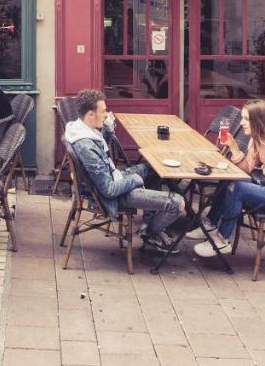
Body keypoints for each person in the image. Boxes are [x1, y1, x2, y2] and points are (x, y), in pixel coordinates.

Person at [65, 89, 184, 253]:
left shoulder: (81, 129)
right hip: (112, 197)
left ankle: (148, 222)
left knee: (154, 169)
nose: (106, 115)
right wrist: (135, 180)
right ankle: (150, 234)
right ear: (91, 115)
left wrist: (108, 130)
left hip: (114, 178)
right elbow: (109, 190)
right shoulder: (86, 147)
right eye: (103, 111)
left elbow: (101, 153)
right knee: (178, 203)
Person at [188, 99, 265, 257]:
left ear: (259, 121)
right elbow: (247, 168)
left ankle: (222, 240)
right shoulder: (257, 139)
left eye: (246, 119)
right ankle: (210, 224)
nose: (242, 123)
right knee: (229, 180)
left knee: (238, 188)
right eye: (242, 118)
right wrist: (233, 146)